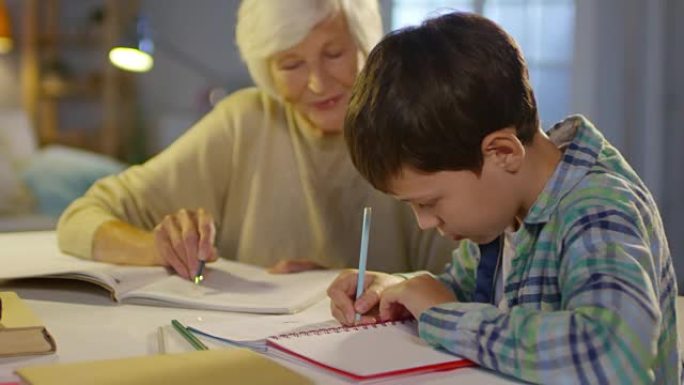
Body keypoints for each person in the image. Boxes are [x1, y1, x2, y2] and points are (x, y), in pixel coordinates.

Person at [327, 12, 680, 384]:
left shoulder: (598, 209)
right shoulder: (501, 213)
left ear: (502, 153)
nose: (425, 222)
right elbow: (458, 296)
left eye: (429, 202)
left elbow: (614, 359)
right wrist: (401, 290)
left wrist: (443, 316)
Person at [56, 0, 456, 280]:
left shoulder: (411, 124)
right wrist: (158, 249)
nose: (317, 83)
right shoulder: (245, 121)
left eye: (334, 54)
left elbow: (465, 285)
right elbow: (80, 218)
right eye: (292, 64)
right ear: (266, 70)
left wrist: (338, 288)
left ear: (365, 43)